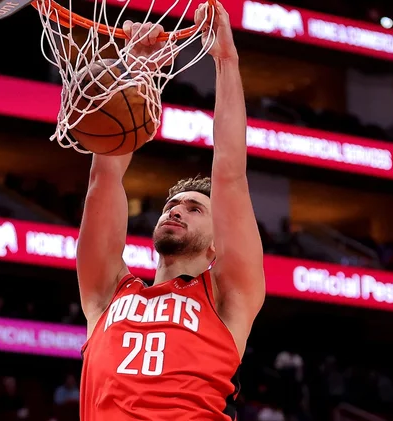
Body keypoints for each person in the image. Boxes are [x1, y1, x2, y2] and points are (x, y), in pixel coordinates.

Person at [76, 2, 266, 420]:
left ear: (217, 244)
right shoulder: (108, 292)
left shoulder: (227, 297)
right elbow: (103, 181)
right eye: (172, 205)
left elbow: (230, 175)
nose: (176, 210)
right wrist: (135, 72)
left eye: (195, 209)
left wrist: (226, 60)